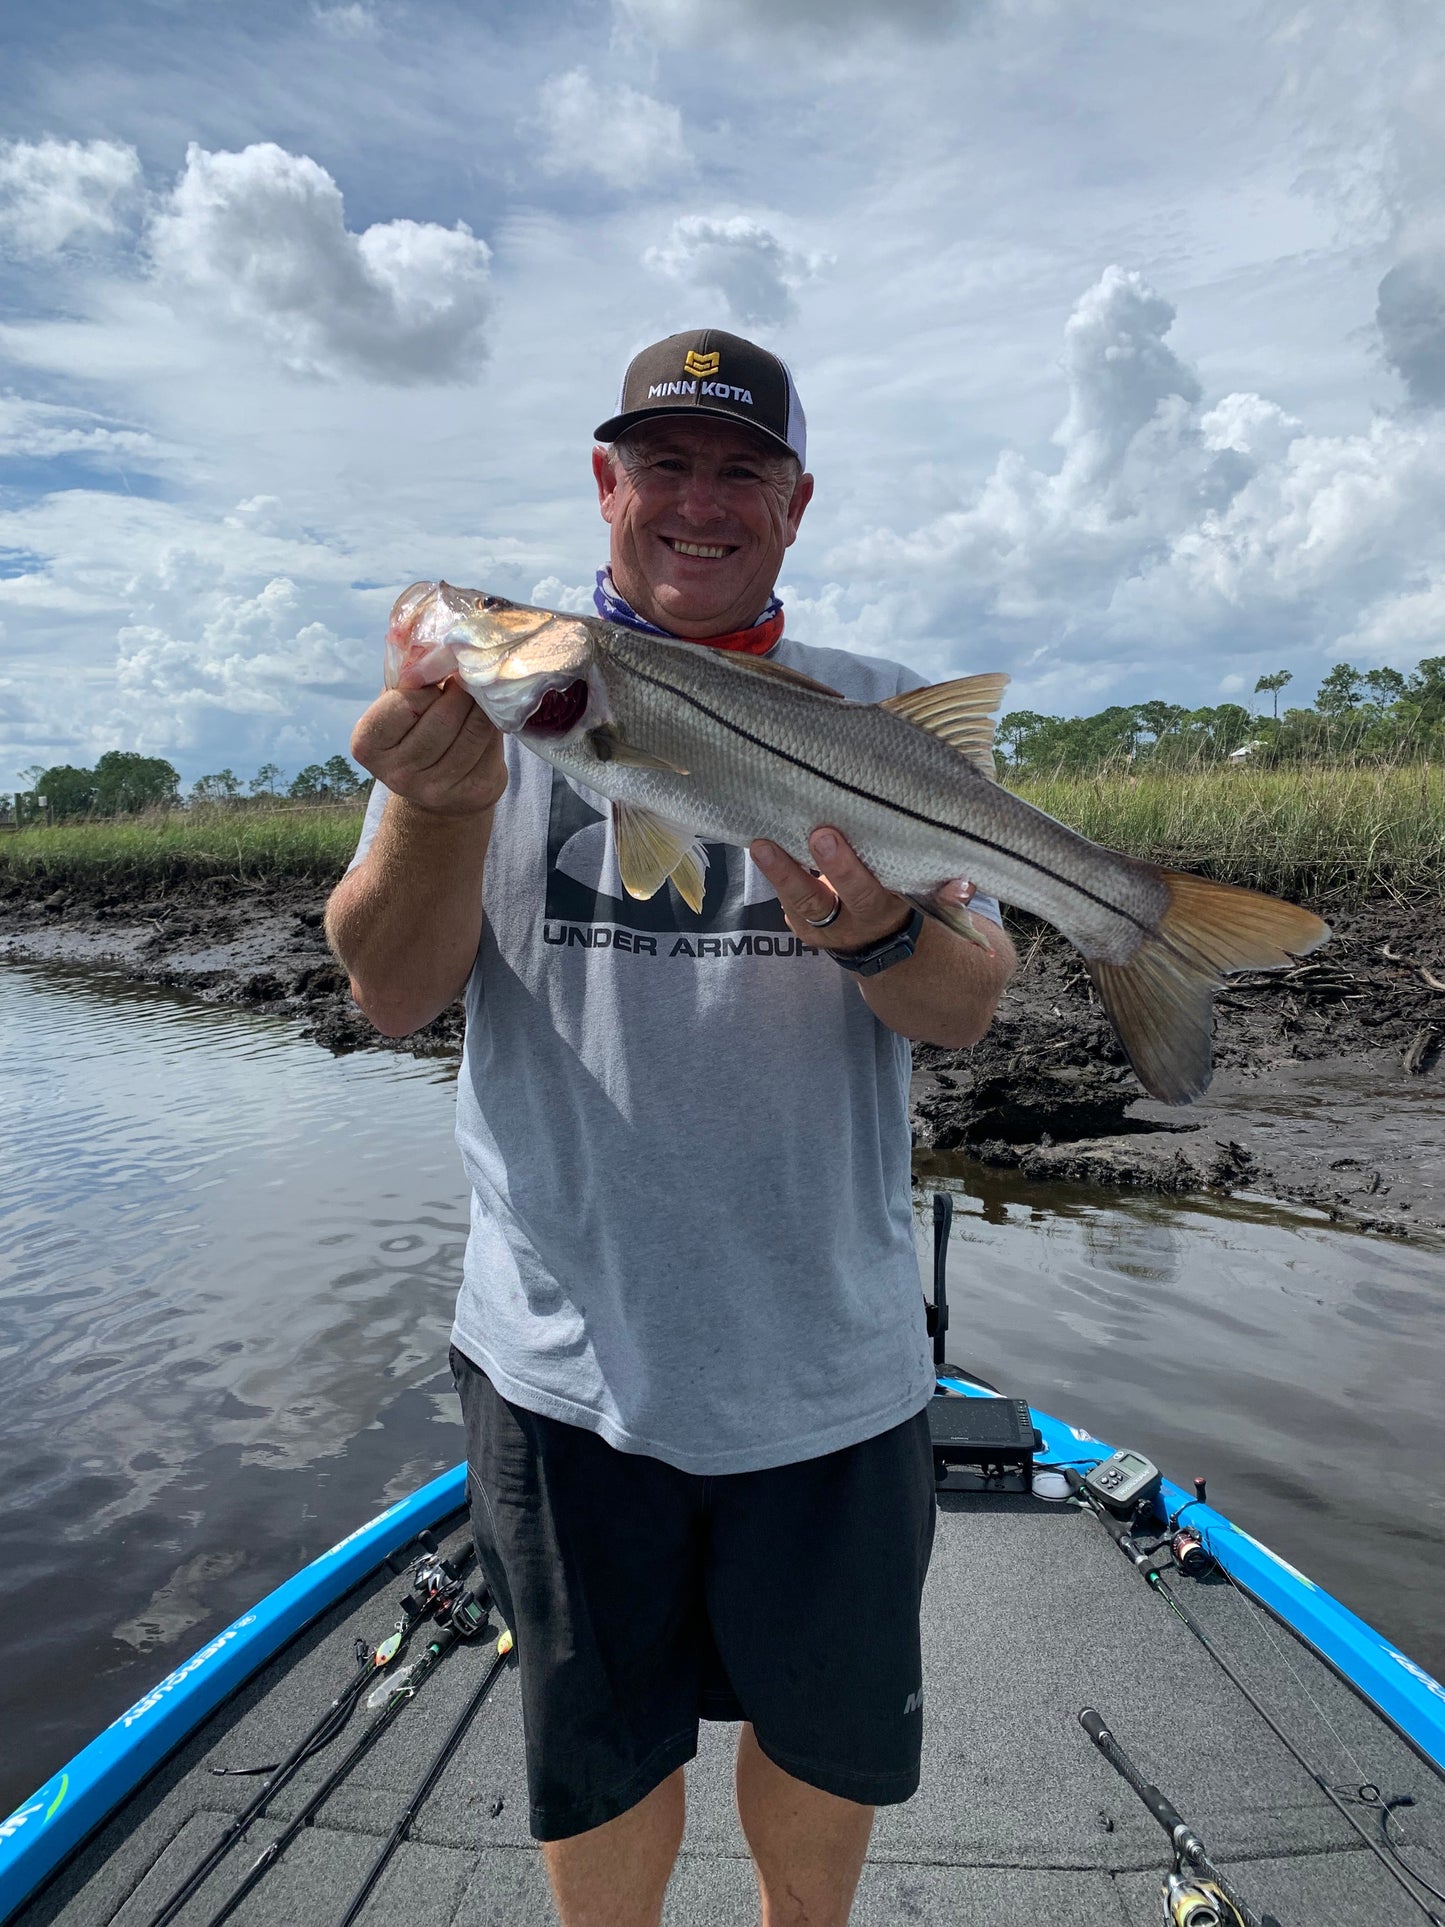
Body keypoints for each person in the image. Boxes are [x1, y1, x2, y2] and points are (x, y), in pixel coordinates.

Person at [326, 327, 1015, 1927]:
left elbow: (969, 1004)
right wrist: (438, 812)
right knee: (602, 1747)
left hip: (829, 1365)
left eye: (740, 470)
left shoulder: (873, 712)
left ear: (795, 502)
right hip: (565, 1362)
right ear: (604, 485)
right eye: (663, 466)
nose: (698, 502)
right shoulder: (467, 724)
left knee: (827, 1743)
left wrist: (884, 938)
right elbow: (388, 993)